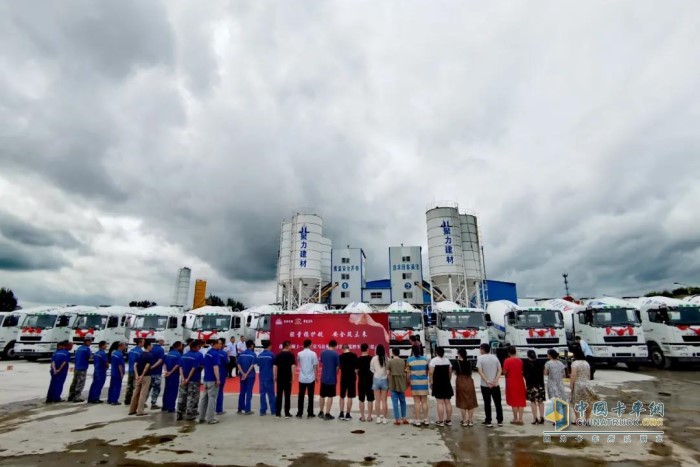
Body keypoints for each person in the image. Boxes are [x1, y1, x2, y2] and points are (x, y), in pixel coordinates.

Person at [476, 343, 503, 428]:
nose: (480, 350)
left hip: (485, 385)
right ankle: (499, 420)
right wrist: (495, 380)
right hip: (495, 384)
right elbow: (500, 370)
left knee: (487, 403)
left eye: (480, 349)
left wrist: (487, 381)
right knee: (498, 402)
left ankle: (488, 420)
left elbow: (480, 371)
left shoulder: (480, 358)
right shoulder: (495, 358)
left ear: (483, 350)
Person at [177, 340, 204, 421]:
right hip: (193, 379)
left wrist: (183, 378)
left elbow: (180, 367)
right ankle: (190, 413)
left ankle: (179, 412)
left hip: (183, 380)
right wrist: (188, 378)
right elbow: (194, 368)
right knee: (192, 397)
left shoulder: (184, 355)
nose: (199, 348)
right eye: (198, 347)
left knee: (182, 396)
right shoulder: (198, 355)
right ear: (194, 347)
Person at [570, 346, 597, 424]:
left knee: (576, 402)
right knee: (587, 402)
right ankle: (587, 420)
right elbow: (588, 375)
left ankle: (577, 419)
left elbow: (573, 374)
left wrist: (571, 384)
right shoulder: (586, 363)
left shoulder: (575, 363)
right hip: (586, 383)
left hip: (578, 384)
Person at [199, 339, 222, 424]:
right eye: (219, 344)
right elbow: (215, 367)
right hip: (212, 379)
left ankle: (201, 417)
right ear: (215, 344)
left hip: (206, 379)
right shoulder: (215, 354)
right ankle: (210, 418)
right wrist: (218, 379)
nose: (221, 345)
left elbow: (203, 364)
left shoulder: (208, 353)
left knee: (204, 399)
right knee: (212, 399)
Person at [429, 346, 453, 427]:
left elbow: (431, 372)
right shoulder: (447, 360)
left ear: (436, 352)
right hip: (446, 383)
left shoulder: (434, 360)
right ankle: (448, 420)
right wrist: (448, 380)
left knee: (440, 402)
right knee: (448, 402)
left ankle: (440, 421)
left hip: (438, 383)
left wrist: (431, 382)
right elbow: (450, 372)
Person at [129, 341, 154, 416]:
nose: (152, 347)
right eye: (151, 345)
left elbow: (135, 365)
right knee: (143, 394)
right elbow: (147, 366)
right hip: (145, 376)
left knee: (135, 393)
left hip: (138, 376)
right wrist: (142, 375)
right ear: (148, 346)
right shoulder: (150, 355)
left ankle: (132, 409)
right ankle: (140, 411)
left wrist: (137, 375)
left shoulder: (140, 354)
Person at [503, 346, 527, 425]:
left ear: (508, 353)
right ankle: (521, 419)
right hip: (520, 382)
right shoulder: (520, 360)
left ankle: (515, 418)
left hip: (511, 382)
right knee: (520, 401)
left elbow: (505, 372)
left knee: (514, 401)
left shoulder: (507, 360)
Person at [454, 348, 478, 427]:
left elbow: (455, 372)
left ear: (459, 354)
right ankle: (470, 420)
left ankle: (464, 420)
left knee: (462, 402)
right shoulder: (470, 362)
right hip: (469, 381)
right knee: (470, 402)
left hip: (460, 381)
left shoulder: (457, 363)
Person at [407, 345, 429, 426]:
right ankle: (426, 419)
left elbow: (408, 373)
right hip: (424, 382)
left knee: (416, 402)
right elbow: (427, 371)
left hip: (414, 382)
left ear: (412, 351)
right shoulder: (425, 359)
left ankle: (417, 420)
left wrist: (408, 382)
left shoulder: (409, 360)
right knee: (424, 402)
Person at [296, 339, 318, 418]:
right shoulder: (313, 354)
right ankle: (310, 413)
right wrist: (316, 376)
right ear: (310, 345)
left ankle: (299, 413)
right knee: (310, 396)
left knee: (301, 396)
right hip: (311, 378)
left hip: (302, 378)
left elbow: (297, 362)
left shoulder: (299, 353)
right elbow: (315, 365)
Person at [319, 340, 340, 421]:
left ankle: (321, 412)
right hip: (332, 378)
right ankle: (327, 413)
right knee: (330, 396)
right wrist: (336, 372)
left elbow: (322, 362)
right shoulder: (335, 354)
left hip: (323, 377)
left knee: (322, 395)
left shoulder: (323, 353)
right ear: (335, 346)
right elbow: (338, 366)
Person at [274, 340, 296, 418]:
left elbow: (275, 366)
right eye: (290, 346)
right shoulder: (291, 355)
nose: (291, 347)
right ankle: (287, 413)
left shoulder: (278, 355)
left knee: (279, 395)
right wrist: (293, 376)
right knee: (287, 396)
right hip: (288, 378)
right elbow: (293, 366)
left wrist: (275, 376)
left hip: (279, 378)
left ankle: (277, 413)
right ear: (287, 346)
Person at [387, 347, 409, 425]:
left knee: (395, 402)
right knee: (403, 401)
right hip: (401, 383)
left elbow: (388, 372)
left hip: (393, 382)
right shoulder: (403, 361)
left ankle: (397, 419)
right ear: (399, 353)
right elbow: (406, 372)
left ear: (392, 353)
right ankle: (404, 418)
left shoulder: (390, 361)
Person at [68, 337, 93, 402]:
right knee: (80, 383)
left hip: (76, 367)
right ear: (86, 342)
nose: (90, 343)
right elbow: (90, 357)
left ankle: (71, 396)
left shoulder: (79, 348)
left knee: (74, 382)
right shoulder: (86, 349)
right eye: (89, 341)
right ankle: (76, 397)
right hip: (82, 367)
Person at [524, 349, 546, 424]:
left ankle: (535, 418)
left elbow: (524, 374)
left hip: (531, 385)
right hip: (540, 385)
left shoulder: (526, 364)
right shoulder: (540, 363)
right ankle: (542, 417)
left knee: (533, 401)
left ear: (528, 356)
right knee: (540, 401)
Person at [338, 343, 358, 421]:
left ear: (342, 349)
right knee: (350, 396)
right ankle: (348, 414)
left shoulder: (341, 356)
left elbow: (339, 368)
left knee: (342, 396)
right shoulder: (354, 355)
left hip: (344, 378)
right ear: (349, 348)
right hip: (352, 377)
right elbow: (356, 369)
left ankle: (341, 413)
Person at [237, 339, 257, 415]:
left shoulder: (241, 354)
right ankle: (247, 410)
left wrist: (243, 373)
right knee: (249, 392)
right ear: (252, 345)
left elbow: (238, 364)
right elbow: (252, 365)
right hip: (250, 376)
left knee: (242, 392)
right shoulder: (253, 354)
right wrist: (247, 374)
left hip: (242, 376)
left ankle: (240, 409)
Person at [370, 344, 389, 424]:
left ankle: (378, 418)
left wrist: (376, 373)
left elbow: (371, 369)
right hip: (384, 379)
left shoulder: (374, 358)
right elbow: (388, 369)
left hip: (376, 380)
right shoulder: (386, 359)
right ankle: (384, 418)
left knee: (377, 400)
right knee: (384, 401)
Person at [257, 340, 276, 416]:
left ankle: (263, 410)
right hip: (269, 376)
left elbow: (258, 364)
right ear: (269, 346)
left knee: (262, 394)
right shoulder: (271, 355)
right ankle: (273, 410)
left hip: (261, 377)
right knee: (271, 394)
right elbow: (274, 365)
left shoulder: (260, 355)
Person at [162, 341, 182, 413]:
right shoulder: (178, 355)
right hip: (174, 375)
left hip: (167, 374)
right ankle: (171, 408)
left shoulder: (168, 353)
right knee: (173, 391)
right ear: (178, 346)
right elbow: (177, 365)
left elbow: (164, 363)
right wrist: (171, 372)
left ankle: (165, 406)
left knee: (166, 390)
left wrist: (166, 371)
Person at [357, 343, 375, 422]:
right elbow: (373, 370)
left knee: (361, 400)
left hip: (361, 381)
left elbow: (356, 370)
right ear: (367, 349)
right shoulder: (371, 359)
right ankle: (369, 417)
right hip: (370, 381)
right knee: (370, 399)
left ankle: (362, 416)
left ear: (361, 349)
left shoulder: (358, 359)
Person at [124, 338, 144, 405]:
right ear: (140, 343)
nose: (144, 343)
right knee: (136, 386)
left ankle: (127, 400)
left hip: (130, 370)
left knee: (129, 385)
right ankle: (134, 402)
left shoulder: (131, 350)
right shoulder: (140, 352)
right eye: (143, 342)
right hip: (137, 371)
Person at [148, 339, 166, 409]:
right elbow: (160, 360)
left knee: (147, 388)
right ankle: (153, 403)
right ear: (160, 341)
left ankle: (143, 402)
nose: (163, 343)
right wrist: (153, 367)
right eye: (163, 341)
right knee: (156, 388)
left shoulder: (150, 348)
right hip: (157, 372)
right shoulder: (160, 350)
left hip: (149, 372)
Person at [216, 338, 228, 415]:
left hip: (212, 374)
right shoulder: (223, 353)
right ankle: (219, 409)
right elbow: (227, 362)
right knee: (220, 392)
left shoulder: (211, 352)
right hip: (221, 374)